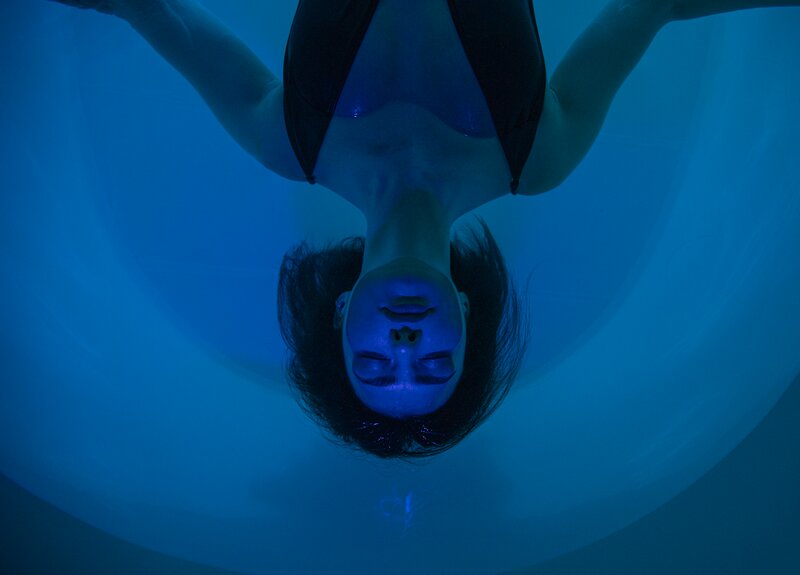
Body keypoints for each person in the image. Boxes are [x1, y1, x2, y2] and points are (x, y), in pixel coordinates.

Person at [48, 0, 800, 458]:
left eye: (375, 365)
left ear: (342, 315)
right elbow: (653, 7)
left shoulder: (284, 141)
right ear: (465, 318)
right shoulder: (539, 156)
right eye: (434, 364)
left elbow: (147, 9)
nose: (404, 345)